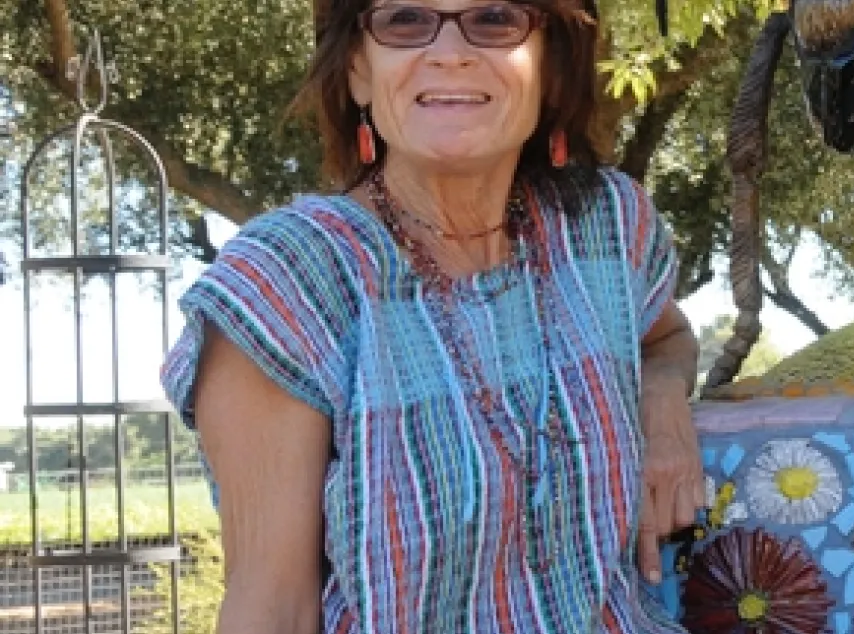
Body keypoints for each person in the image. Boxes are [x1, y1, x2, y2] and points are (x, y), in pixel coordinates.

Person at [157, 1, 703, 631]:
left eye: (495, 18)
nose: (449, 51)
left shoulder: (607, 226)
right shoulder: (288, 283)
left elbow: (668, 338)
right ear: (359, 69)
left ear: (551, 66)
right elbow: (274, 610)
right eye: (406, 20)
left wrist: (662, 407)